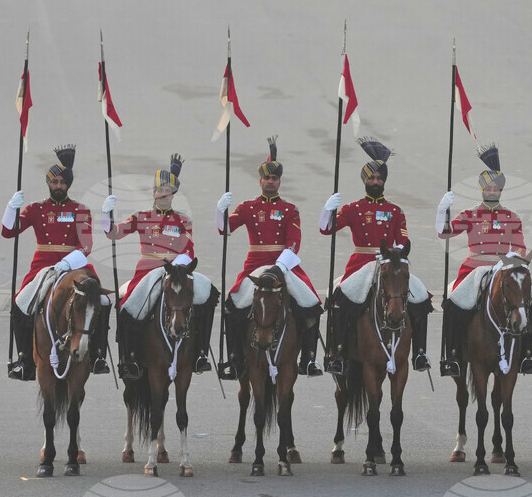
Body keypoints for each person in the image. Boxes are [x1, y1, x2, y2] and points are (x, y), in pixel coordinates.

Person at [320, 136, 433, 376]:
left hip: (389, 264)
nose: (375, 181)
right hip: (360, 264)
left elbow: (402, 242)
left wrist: (397, 257)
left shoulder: (395, 211)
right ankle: (337, 353)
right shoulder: (353, 209)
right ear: (364, 180)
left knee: (421, 299)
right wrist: (328, 209)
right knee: (339, 300)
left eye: (379, 178)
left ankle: (420, 352)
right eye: (371, 177)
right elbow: (327, 228)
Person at [216, 137, 324, 379]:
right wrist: (219, 211)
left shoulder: (289, 210)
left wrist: (280, 267)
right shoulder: (247, 208)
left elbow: (294, 241)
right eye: (267, 178)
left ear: (279, 182)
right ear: (260, 181)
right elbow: (225, 228)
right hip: (254, 267)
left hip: (283, 267)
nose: (271, 182)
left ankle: (308, 358)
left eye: (275, 179)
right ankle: (233, 360)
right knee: (233, 307)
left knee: (310, 305)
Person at [101, 155, 218, 379]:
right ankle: (130, 357)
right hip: (147, 271)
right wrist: (107, 215)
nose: (163, 196)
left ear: (173, 195)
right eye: (159, 191)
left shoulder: (184, 221)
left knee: (207, 296)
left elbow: (189, 249)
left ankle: (201, 353)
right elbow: (114, 233)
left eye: (168, 192)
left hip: (176, 271)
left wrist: (177, 267)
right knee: (128, 306)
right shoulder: (141, 217)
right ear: (153, 193)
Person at [2, 145, 110, 380]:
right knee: (20, 304)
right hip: (42, 266)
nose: (58, 186)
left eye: (62, 182)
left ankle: (98, 354)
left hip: (74, 265)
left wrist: (67, 262)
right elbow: (8, 232)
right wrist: (11, 208)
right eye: (54, 182)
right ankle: (24, 360)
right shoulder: (36, 209)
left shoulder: (80, 211)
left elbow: (87, 246)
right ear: (48, 183)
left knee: (102, 299)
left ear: (68, 185)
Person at [436, 144, 532, 377]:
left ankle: (527, 356)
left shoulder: (511, 217)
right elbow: (446, 232)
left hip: (504, 268)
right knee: (453, 302)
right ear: (482, 189)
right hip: (474, 269)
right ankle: (452, 355)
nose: (492, 191)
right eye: (488, 187)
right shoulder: (470, 214)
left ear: (501, 191)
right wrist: (443, 210)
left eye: (496, 188)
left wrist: (515, 260)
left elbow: (520, 247)